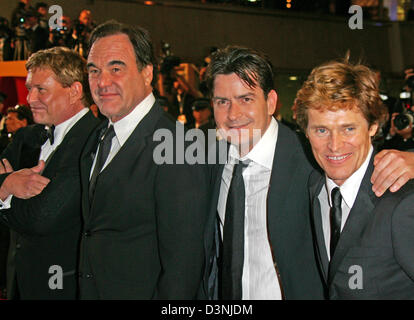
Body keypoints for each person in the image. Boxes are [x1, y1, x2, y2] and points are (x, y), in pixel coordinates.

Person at [202, 46, 414, 300]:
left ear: (271, 102)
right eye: (222, 102)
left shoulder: (311, 165)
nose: (233, 114)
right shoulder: (206, 158)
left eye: (246, 99)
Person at [79, 20, 208, 299]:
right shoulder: (97, 137)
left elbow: (183, 267)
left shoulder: (179, 145)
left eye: (116, 68)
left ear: (147, 73)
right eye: (94, 71)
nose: (102, 82)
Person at [295, 58, 414, 299]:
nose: (334, 145)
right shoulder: (315, 187)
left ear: (372, 127)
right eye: (321, 130)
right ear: (306, 132)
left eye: (348, 128)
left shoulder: (403, 201)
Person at [0, 46, 101, 299]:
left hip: (62, 287)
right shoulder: (26, 137)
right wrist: (8, 185)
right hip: (19, 280)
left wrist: (4, 192)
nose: (29, 99)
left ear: (75, 91)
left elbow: (42, 217)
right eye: (29, 89)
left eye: (41, 90)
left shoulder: (94, 139)